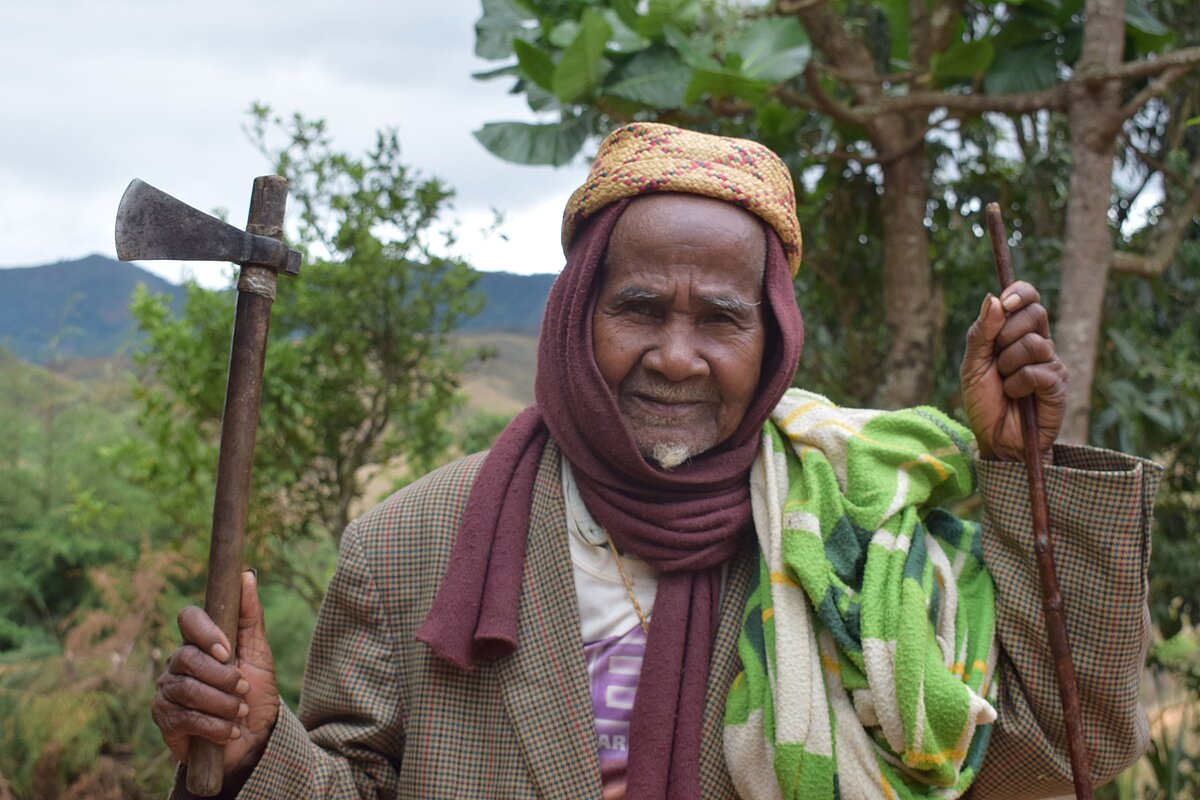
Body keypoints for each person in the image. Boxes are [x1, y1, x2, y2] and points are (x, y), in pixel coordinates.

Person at [152, 123, 1161, 800]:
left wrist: (1020, 464)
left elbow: (1066, 748)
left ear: (771, 339)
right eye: (638, 307)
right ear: (575, 316)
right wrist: (254, 748)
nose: (675, 355)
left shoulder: (852, 520)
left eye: (721, 318)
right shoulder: (412, 541)